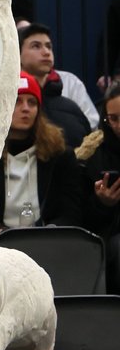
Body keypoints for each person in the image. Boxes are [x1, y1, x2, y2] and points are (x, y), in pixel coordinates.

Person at [0, 72, 83, 236]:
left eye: (32, 102)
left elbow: (71, 211)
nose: (26, 108)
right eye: (17, 101)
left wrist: (50, 232)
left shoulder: (59, 155)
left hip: (48, 240)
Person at [76, 82, 120, 293]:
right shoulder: (94, 155)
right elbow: (82, 216)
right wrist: (102, 204)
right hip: (110, 235)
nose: (119, 125)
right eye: (114, 118)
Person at [19, 23, 92, 148]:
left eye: (49, 46)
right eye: (36, 46)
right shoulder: (5, 95)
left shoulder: (71, 88)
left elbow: (92, 131)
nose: (46, 52)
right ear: (18, 53)